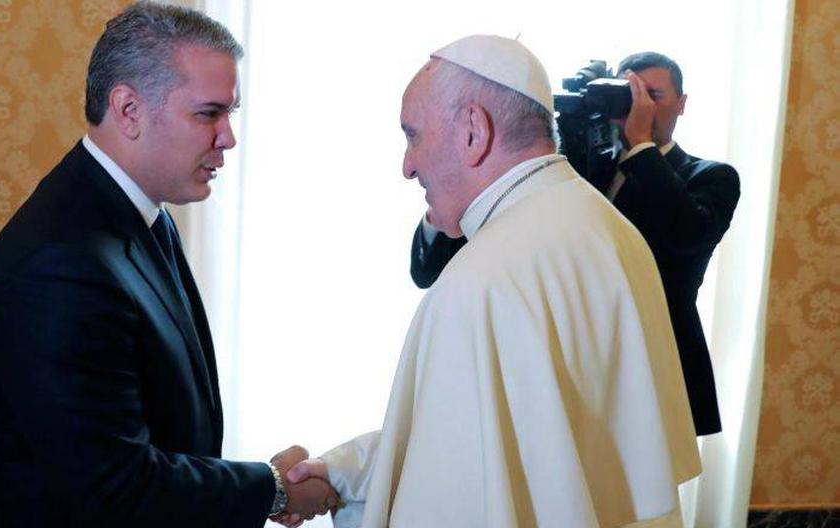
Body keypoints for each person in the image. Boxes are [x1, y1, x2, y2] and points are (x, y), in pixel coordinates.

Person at [278, 36, 701, 528]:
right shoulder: (609, 228)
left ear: (475, 131)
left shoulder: (478, 282)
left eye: (413, 135)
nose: (407, 165)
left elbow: (453, 500)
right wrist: (345, 470)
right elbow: (514, 442)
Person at [0, 3, 334, 527]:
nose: (227, 137)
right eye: (208, 113)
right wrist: (272, 491)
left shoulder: (142, 215)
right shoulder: (59, 264)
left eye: (230, 114)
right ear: (129, 109)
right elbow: (112, 485)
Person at [410, 51, 740, 436]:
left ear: (681, 103)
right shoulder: (578, 168)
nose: (640, 104)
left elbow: (686, 236)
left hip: (657, 367)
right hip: (575, 372)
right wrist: (449, 195)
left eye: (653, 94)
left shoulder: (711, 176)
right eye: (630, 93)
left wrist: (640, 145)